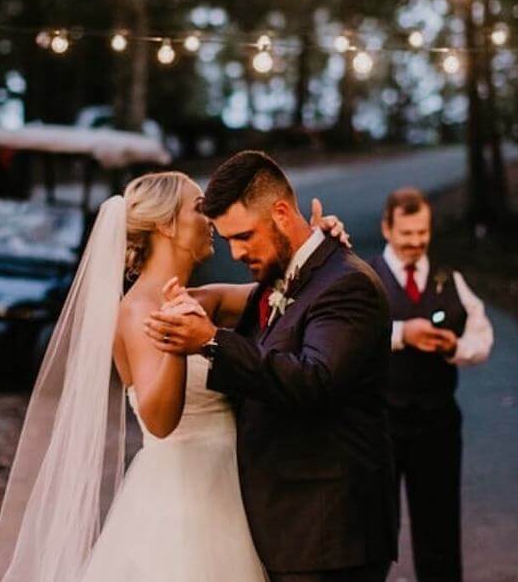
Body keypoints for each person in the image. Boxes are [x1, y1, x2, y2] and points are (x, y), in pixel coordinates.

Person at [0, 169, 351, 582]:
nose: (211, 216)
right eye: (199, 207)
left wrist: (314, 244)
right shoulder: (137, 312)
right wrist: (179, 344)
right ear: (165, 224)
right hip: (185, 505)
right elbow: (158, 421)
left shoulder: (204, 299)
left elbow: (294, 294)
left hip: (231, 489)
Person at [145, 151, 398, 582]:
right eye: (226, 240)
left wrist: (210, 342)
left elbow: (314, 379)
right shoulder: (283, 277)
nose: (237, 251)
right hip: (288, 528)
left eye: (244, 236)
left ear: (281, 213)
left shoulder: (346, 283)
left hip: (327, 533)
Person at [369, 187, 493, 582]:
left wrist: (456, 347)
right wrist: (403, 332)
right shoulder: (364, 279)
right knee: (370, 533)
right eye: (406, 233)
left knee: (438, 532)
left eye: (422, 232)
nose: (416, 242)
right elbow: (350, 335)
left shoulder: (449, 279)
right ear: (386, 229)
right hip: (379, 425)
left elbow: (482, 339)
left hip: (437, 424)